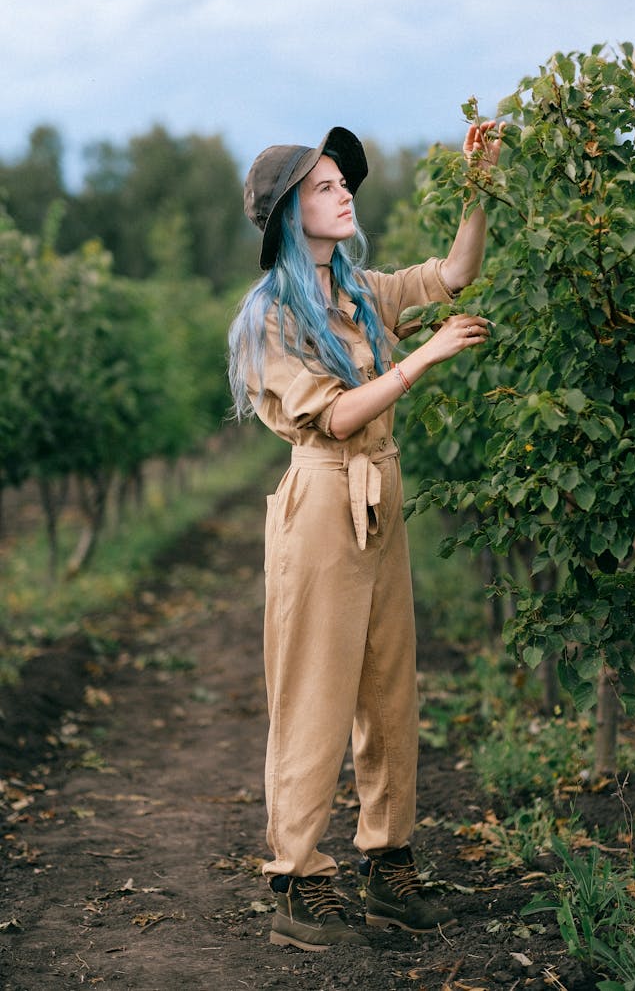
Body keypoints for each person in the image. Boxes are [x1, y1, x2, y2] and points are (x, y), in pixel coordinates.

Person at [227, 120, 501, 952]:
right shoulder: (271, 315)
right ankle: (298, 879)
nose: (344, 190)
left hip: (380, 497)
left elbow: (453, 275)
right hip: (321, 500)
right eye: (323, 185)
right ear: (287, 215)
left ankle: (388, 865)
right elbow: (338, 414)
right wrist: (420, 362)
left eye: (342, 182)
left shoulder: (357, 289)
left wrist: (478, 185)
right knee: (314, 692)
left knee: (388, 688)